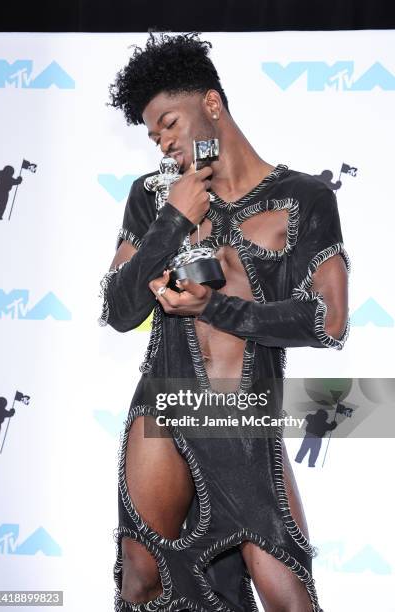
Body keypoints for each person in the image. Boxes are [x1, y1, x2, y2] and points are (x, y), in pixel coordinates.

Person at [99, 32, 350, 612]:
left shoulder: (303, 198)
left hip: (243, 415)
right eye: (153, 134)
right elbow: (119, 310)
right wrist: (171, 222)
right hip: (163, 405)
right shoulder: (153, 196)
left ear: (211, 103)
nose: (163, 143)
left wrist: (213, 306)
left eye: (169, 123)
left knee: (286, 593)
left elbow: (328, 322)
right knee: (142, 578)